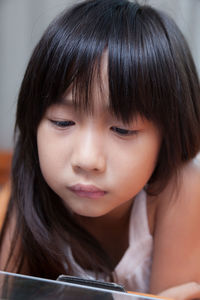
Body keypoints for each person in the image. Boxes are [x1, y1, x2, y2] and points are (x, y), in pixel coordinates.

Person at [0, 0, 200, 298]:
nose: (87, 159)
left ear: (167, 138)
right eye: (63, 121)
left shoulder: (182, 188)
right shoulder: (29, 181)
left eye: (122, 129)